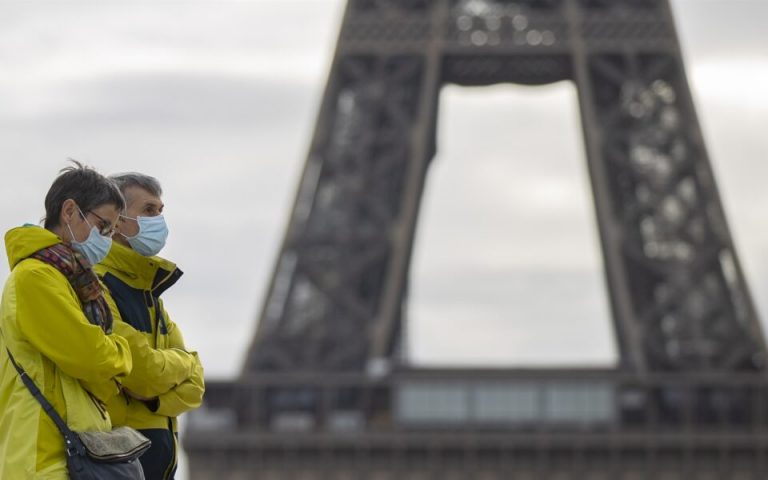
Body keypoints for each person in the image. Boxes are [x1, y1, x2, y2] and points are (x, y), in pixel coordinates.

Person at [0, 161, 133, 478]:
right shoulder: (36, 277)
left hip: (69, 458)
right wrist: (123, 353)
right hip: (44, 462)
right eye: (103, 226)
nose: (107, 239)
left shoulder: (71, 282)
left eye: (111, 231)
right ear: (70, 211)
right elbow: (91, 357)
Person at [94, 172, 204, 480]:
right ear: (116, 220)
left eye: (160, 211)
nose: (159, 220)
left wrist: (157, 399)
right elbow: (141, 373)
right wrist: (184, 364)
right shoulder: (98, 286)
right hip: (118, 465)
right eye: (149, 210)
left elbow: (197, 386)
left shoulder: (151, 298)